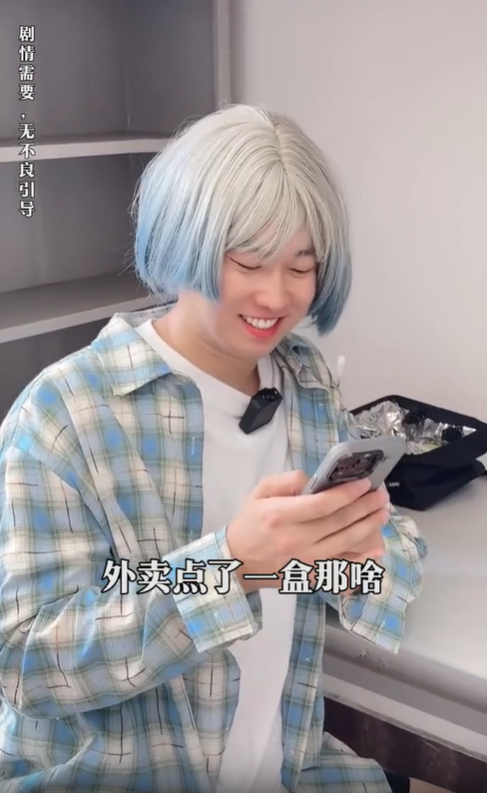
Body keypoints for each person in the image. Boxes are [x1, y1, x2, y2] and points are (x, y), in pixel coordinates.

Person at [0, 105, 447, 793]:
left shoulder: (304, 381)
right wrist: (229, 567)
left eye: (301, 265)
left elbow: (358, 565)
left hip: (286, 765)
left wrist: (358, 557)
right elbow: (25, 661)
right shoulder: (66, 414)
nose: (277, 295)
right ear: (184, 240)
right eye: (249, 262)